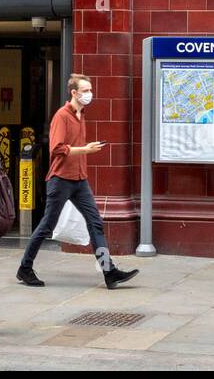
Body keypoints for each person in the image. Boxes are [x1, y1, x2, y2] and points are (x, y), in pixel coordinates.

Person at [16, 74, 138, 290]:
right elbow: (56, 148)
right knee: (47, 226)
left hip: (80, 180)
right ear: (74, 93)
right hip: (61, 179)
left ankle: (109, 272)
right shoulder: (62, 116)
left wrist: (85, 151)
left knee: (95, 223)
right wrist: (86, 149)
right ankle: (25, 268)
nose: (90, 94)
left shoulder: (82, 115)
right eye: (85, 90)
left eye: (90, 90)